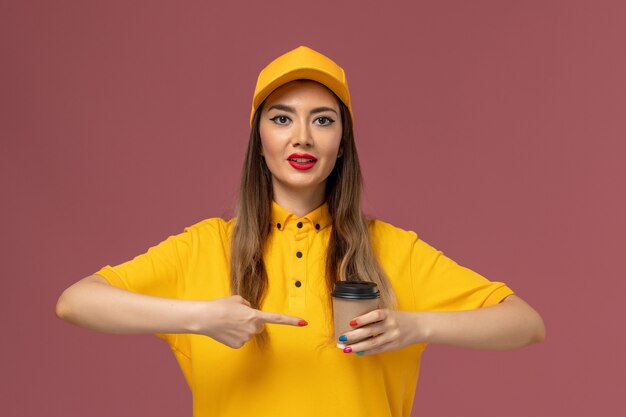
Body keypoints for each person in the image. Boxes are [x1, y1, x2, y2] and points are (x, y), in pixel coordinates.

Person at [56, 46, 545, 417]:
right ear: (260, 139)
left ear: (342, 143)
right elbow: (76, 302)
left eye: (323, 120)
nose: (302, 137)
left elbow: (524, 323)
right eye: (282, 118)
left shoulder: (393, 249)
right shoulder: (204, 247)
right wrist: (198, 318)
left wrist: (415, 326)